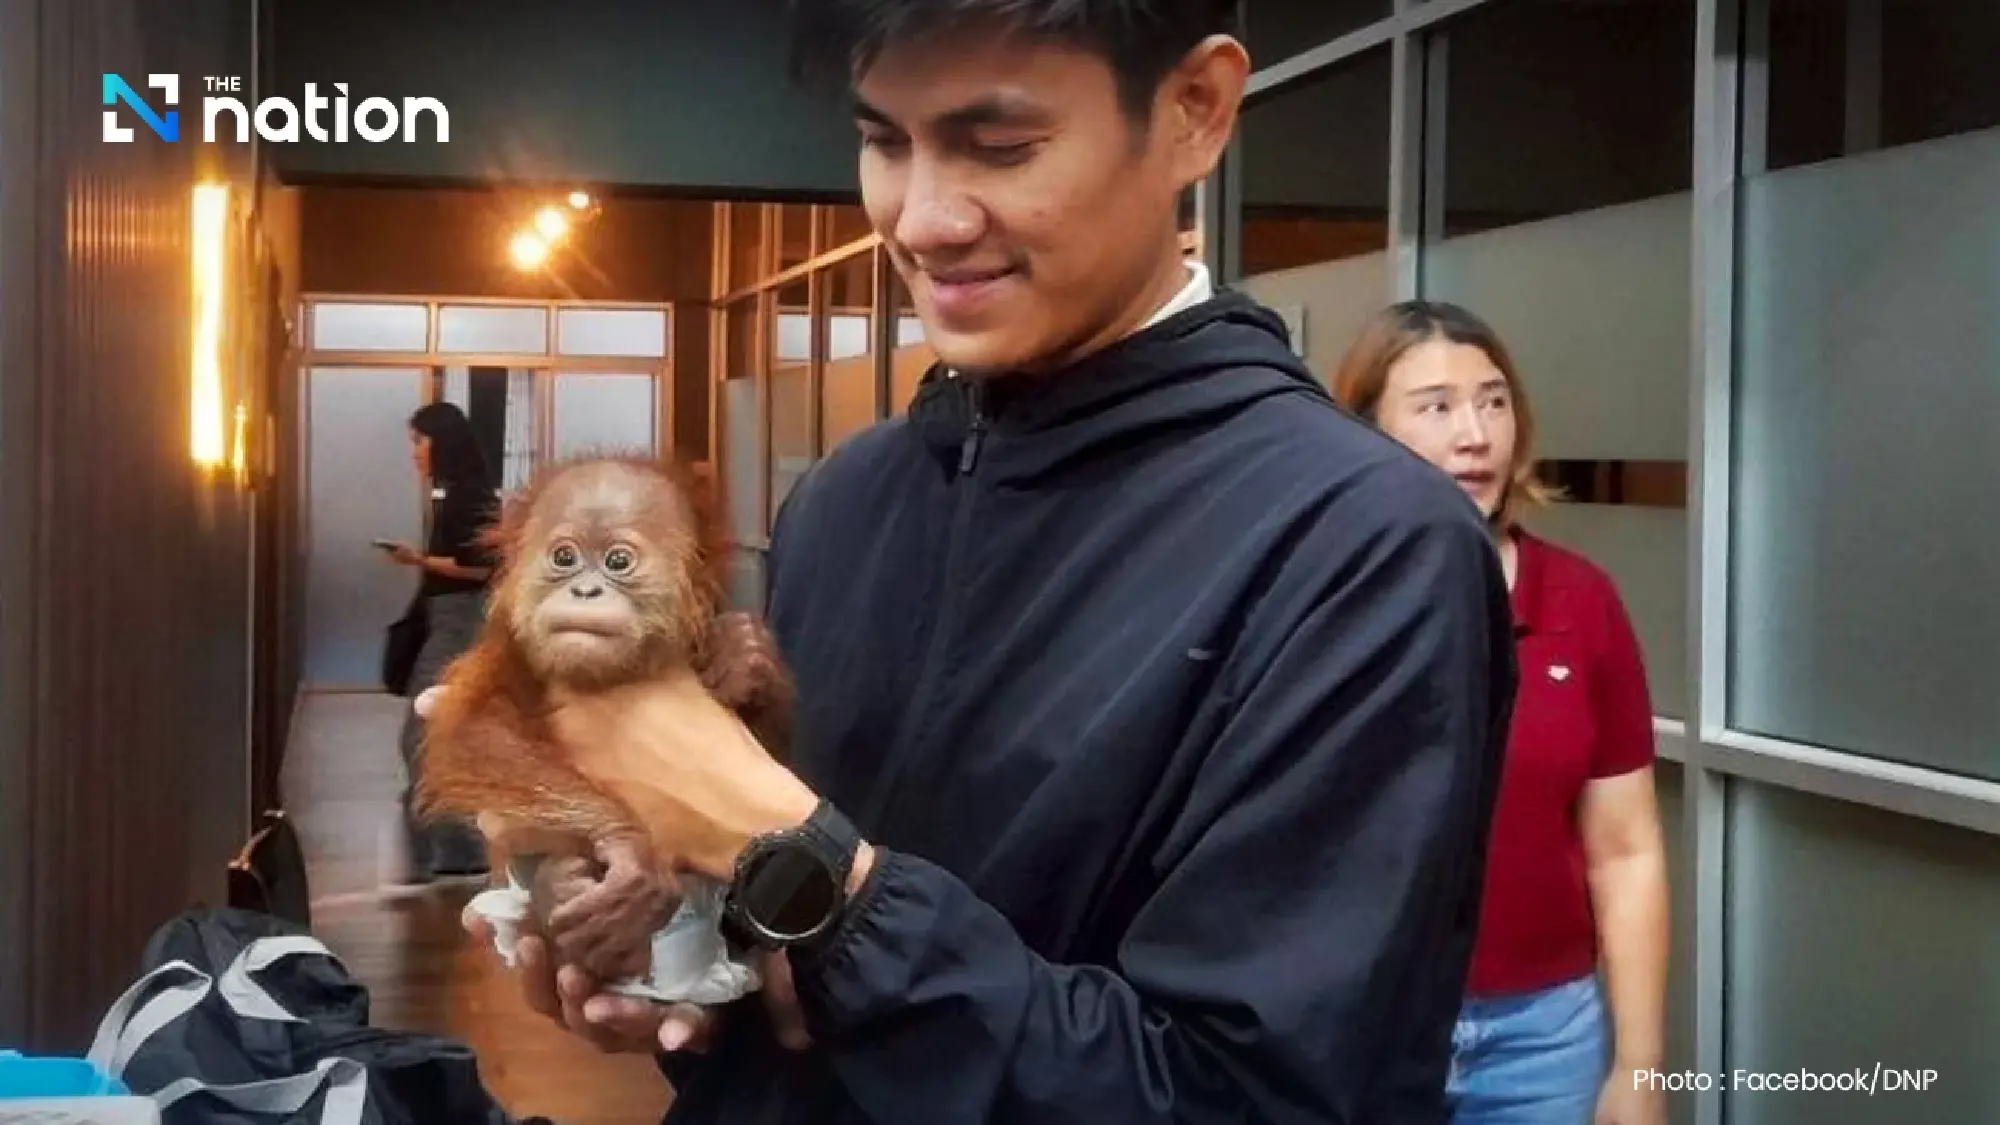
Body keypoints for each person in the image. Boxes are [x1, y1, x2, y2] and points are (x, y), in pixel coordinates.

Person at [459, 4, 1516, 1122]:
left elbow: (1247, 1098)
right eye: (883, 141)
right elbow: (785, 990)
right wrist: (669, 969)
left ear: (1194, 112)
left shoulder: (1360, 549)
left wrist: (816, 879)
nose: (921, 219)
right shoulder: (843, 501)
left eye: (999, 148)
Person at [1331, 300, 1670, 1125]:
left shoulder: (1581, 600)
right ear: (1366, 428)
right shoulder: (1320, 601)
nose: (1476, 433)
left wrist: (1641, 1067)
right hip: (1358, 1026)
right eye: (1436, 406)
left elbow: (1624, 851)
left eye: (1492, 400)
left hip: (1542, 1037)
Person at [383, 401, 499, 885]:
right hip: (448, 616)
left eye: (420, 441)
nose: (415, 453)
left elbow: (480, 568)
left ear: (441, 442)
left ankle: (455, 847)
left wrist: (420, 560)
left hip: (460, 620)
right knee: (431, 730)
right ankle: (446, 847)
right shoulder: (454, 492)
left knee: (428, 730)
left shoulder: (469, 496)